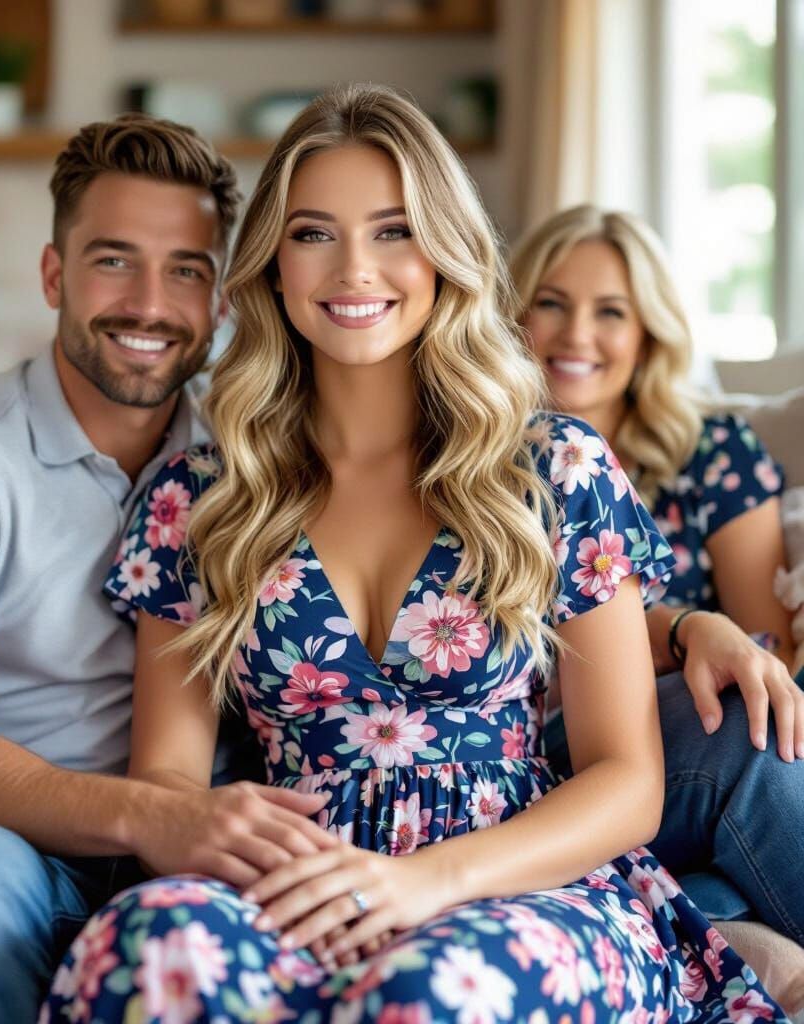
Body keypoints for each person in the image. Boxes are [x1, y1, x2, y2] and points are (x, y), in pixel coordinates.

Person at [43, 85, 785, 1023]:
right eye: (313, 233)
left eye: (394, 230)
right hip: (294, 882)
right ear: (272, 263)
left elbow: (629, 781)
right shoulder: (198, 497)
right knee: (143, 950)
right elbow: (168, 785)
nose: (355, 268)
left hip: (516, 880)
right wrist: (260, 865)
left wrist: (423, 884)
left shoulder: (555, 469)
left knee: (431, 989)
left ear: (445, 253)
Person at [0, 114, 342, 1024]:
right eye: (114, 260)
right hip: (7, 846)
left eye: (186, 270)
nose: (150, 303)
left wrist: (670, 626)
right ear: (54, 275)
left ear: (222, 301)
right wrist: (152, 816)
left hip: (208, 838)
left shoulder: (257, 459)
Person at [510, 205, 804, 953]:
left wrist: (720, 649)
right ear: (513, 315)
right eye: (552, 302)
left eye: (611, 311)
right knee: (739, 728)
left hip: (696, 739)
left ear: (647, 334)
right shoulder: (480, 459)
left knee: (751, 713)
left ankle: (709, 899)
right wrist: (685, 632)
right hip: (551, 746)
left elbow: (768, 650)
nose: (577, 334)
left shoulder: (711, 451)